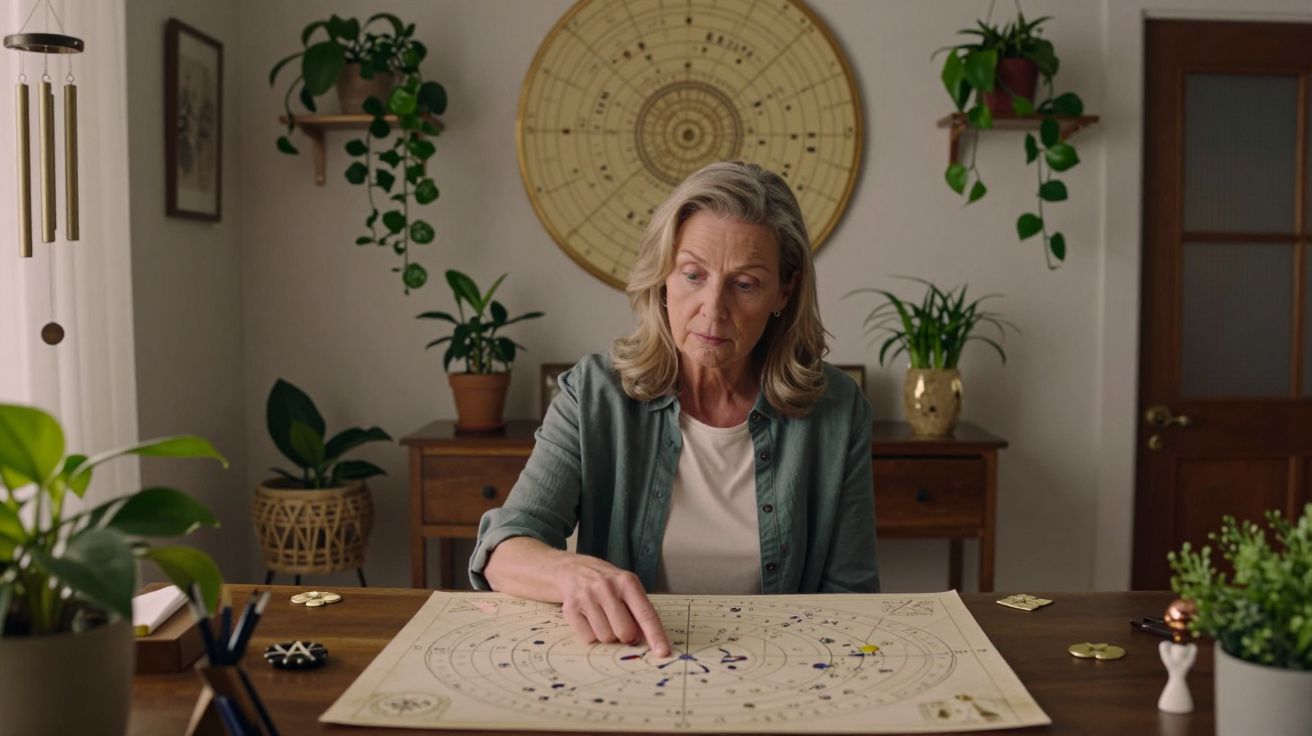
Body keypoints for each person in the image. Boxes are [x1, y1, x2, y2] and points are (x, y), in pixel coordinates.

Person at [468, 161, 877, 658]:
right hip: (630, 669)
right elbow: (503, 548)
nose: (713, 308)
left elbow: (852, 597)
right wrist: (571, 572)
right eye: (692, 274)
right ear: (664, 275)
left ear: (783, 292)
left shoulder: (836, 409)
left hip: (784, 671)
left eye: (744, 284)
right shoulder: (593, 394)